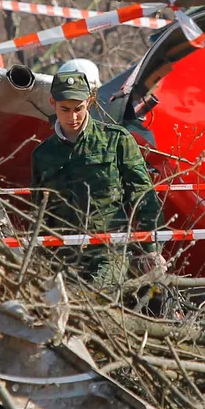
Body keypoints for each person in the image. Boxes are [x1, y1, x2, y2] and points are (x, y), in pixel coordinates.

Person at [29, 61, 160, 287]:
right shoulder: (43, 155)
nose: (73, 117)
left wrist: (151, 250)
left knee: (96, 297)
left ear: (89, 102)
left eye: (78, 108)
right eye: (65, 109)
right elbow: (40, 212)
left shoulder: (115, 140)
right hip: (63, 257)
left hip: (110, 252)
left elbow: (143, 196)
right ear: (53, 104)